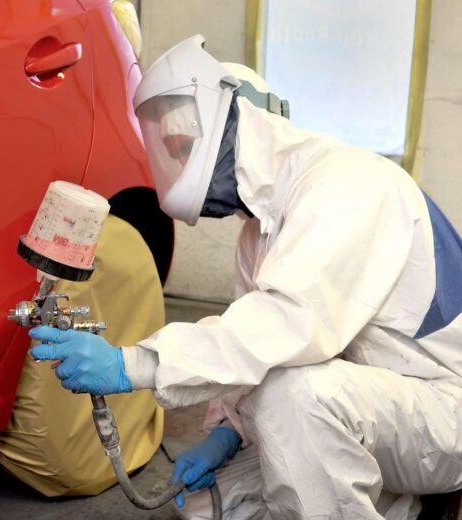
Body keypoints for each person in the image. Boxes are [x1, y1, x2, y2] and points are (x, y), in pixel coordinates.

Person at [29, 34, 462, 519]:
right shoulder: (259, 233)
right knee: (205, 506)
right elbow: (252, 346)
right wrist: (223, 434)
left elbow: (281, 327)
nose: (176, 155)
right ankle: (405, 507)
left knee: (292, 397)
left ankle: (416, 495)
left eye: (182, 143)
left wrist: (133, 365)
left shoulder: (350, 182)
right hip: (376, 406)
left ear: (241, 118)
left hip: (444, 412)